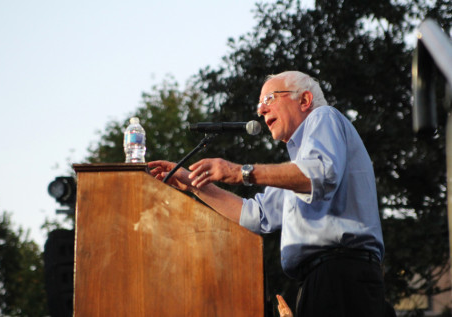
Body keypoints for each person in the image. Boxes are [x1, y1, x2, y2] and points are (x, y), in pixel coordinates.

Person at [149, 70, 386, 317]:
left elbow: (320, 174)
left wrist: (239, 172)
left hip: (342, 276)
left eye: (269, 99)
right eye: (259, 105)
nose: (261, 111)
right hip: (318, 281)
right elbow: (257, 216)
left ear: (304, 101)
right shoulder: (296, 166)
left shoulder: (323, 117)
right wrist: (195, 184)